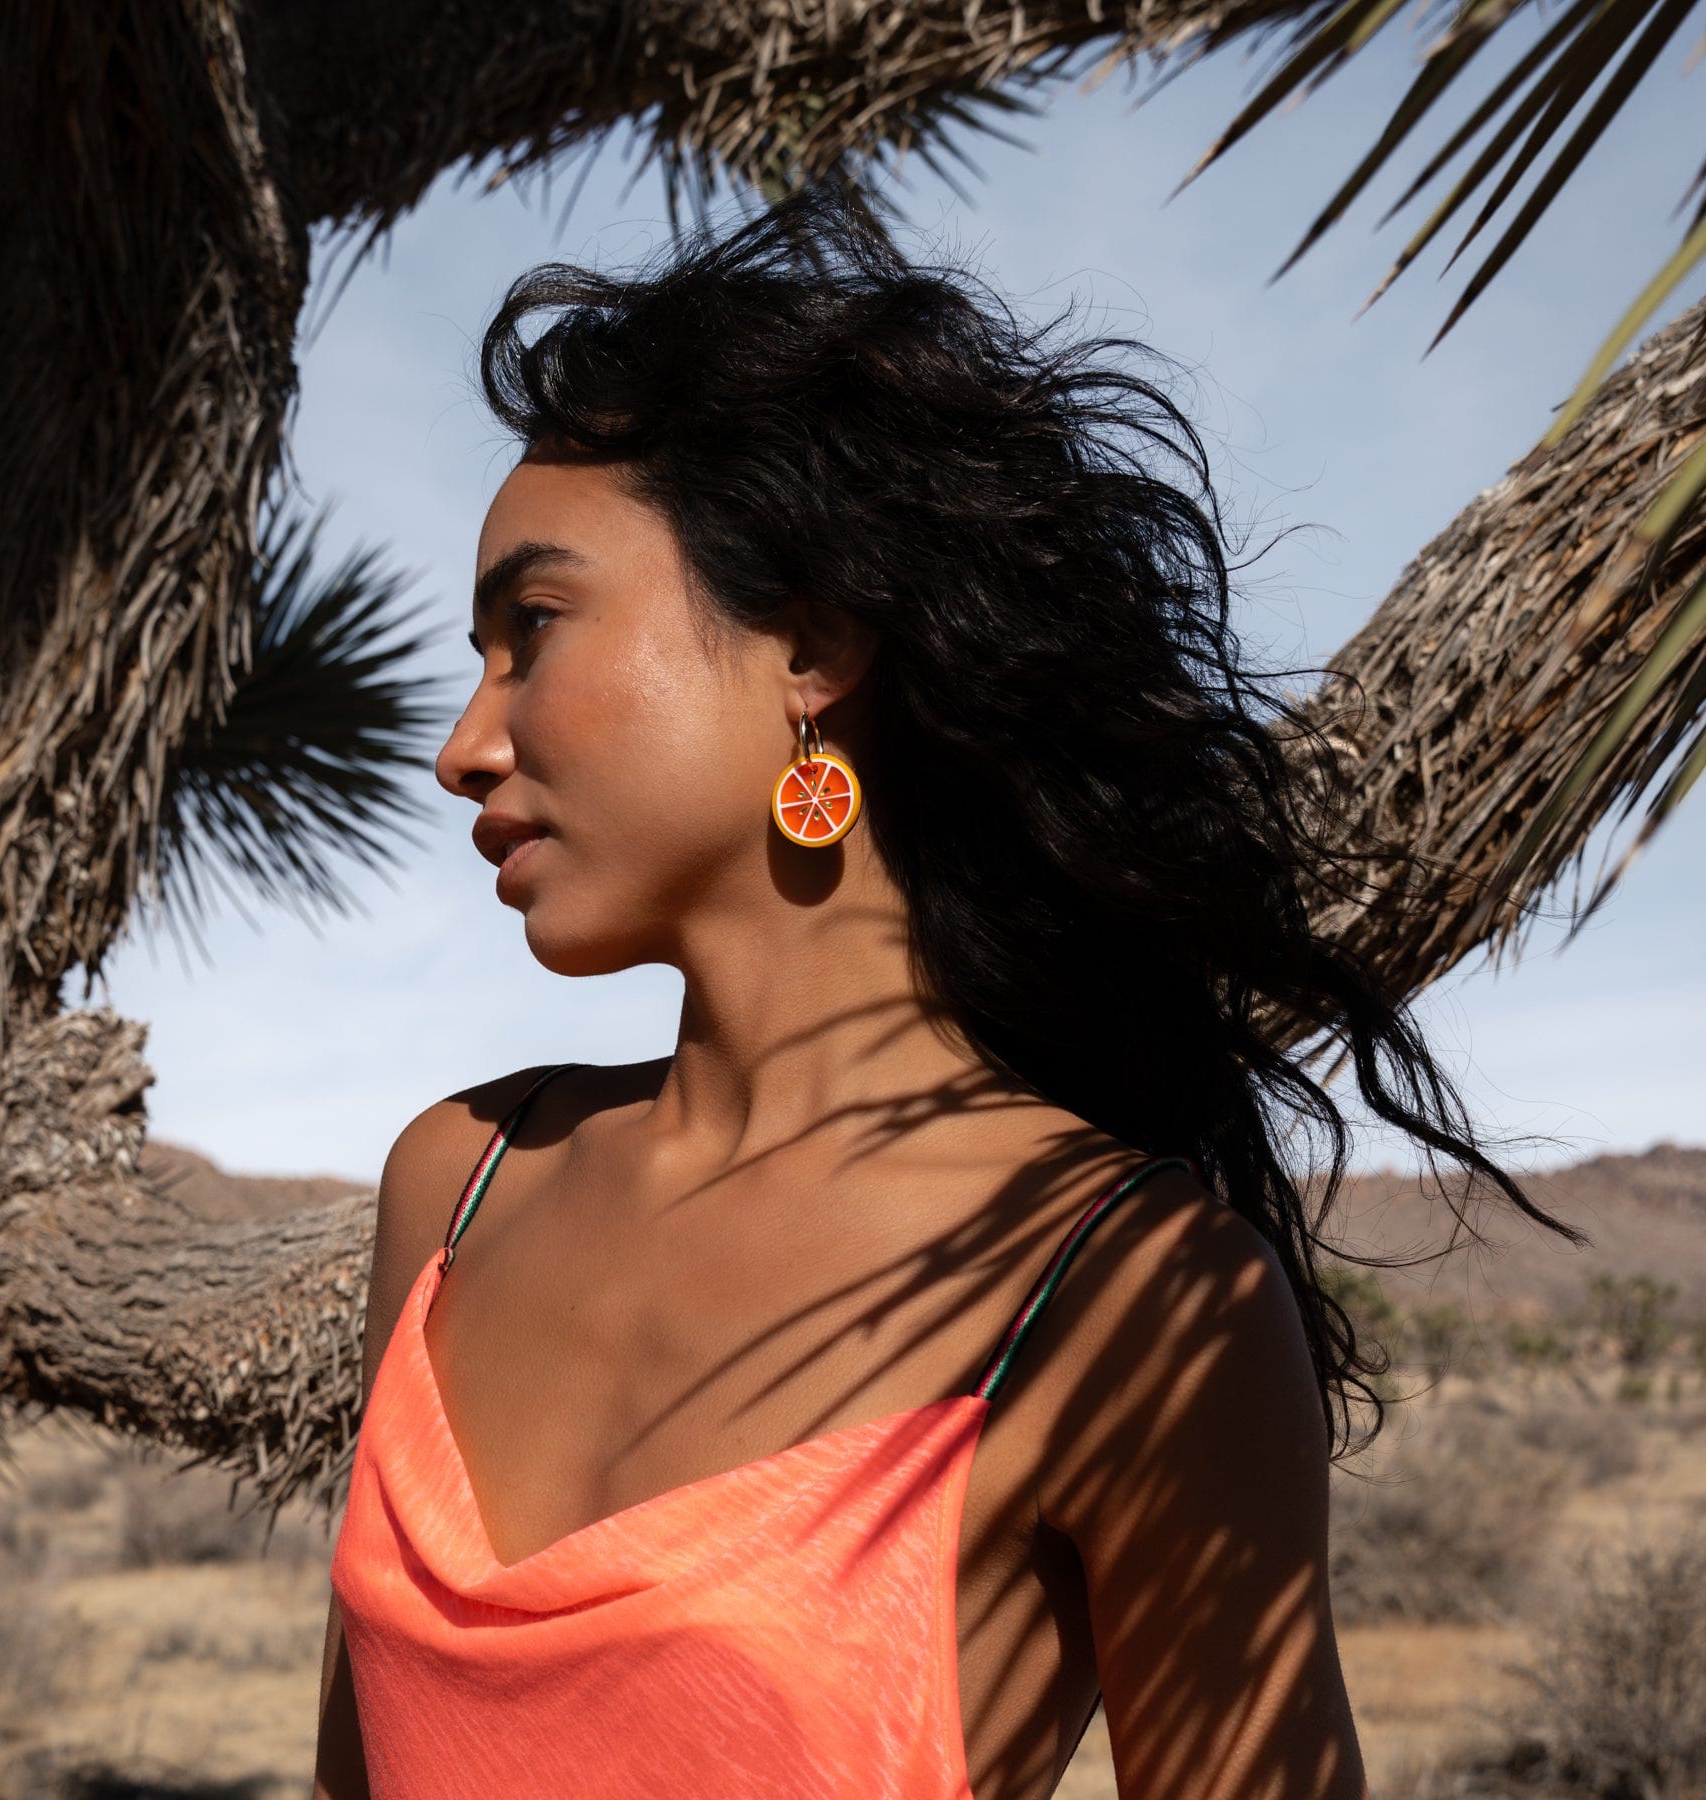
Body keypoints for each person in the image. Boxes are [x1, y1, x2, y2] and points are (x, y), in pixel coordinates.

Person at [311, 183, 1577, 1800]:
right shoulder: (461, 1183)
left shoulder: (1126, 1299)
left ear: (811, 653)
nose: (463, 743)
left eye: (531, 628)